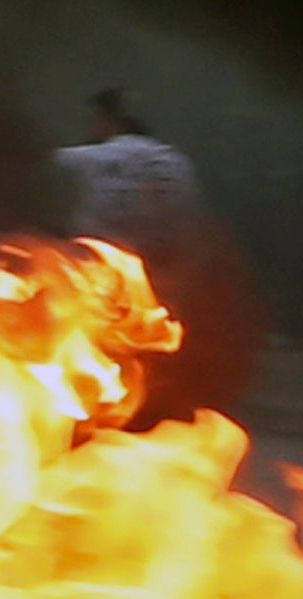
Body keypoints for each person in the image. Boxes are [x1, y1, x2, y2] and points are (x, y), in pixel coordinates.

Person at [53, 89, 269, 425]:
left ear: (106, 121)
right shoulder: (177, 163)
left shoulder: (88, 159)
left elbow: (35, 167)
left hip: (98, 283)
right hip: (166, 283)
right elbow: (193, 226)